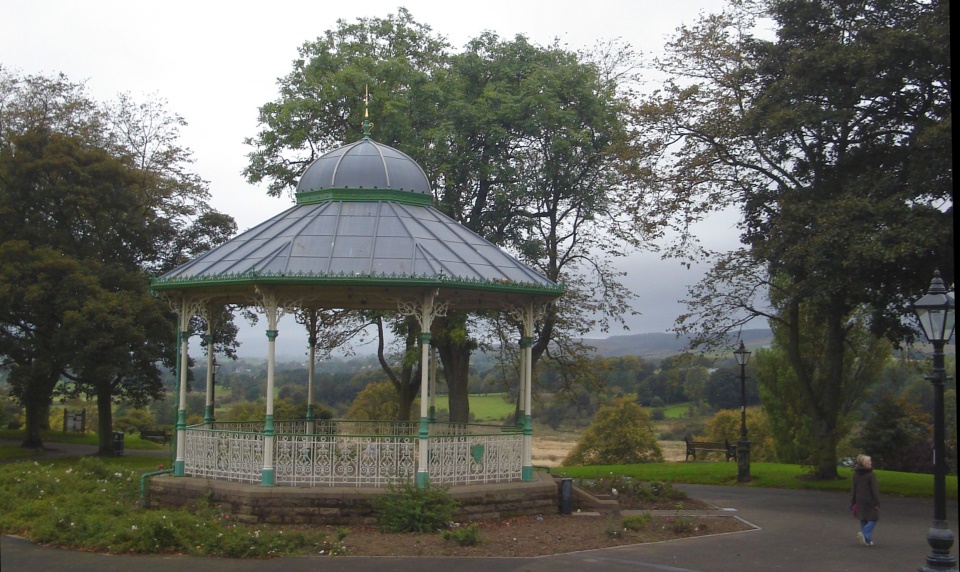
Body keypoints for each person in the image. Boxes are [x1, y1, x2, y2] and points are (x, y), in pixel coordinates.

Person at [851, 453, 879, 546]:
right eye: (869, 461)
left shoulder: (855, 474)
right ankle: (864, 533)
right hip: (869, 500)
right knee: (874, 518)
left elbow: (854, 488)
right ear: (864, 463)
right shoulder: (871, 475)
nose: (871, 462)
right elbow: (874, 490)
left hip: (859, 499)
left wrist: (853, 501)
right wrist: (877, 502)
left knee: (863, 519)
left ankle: (867, 540)